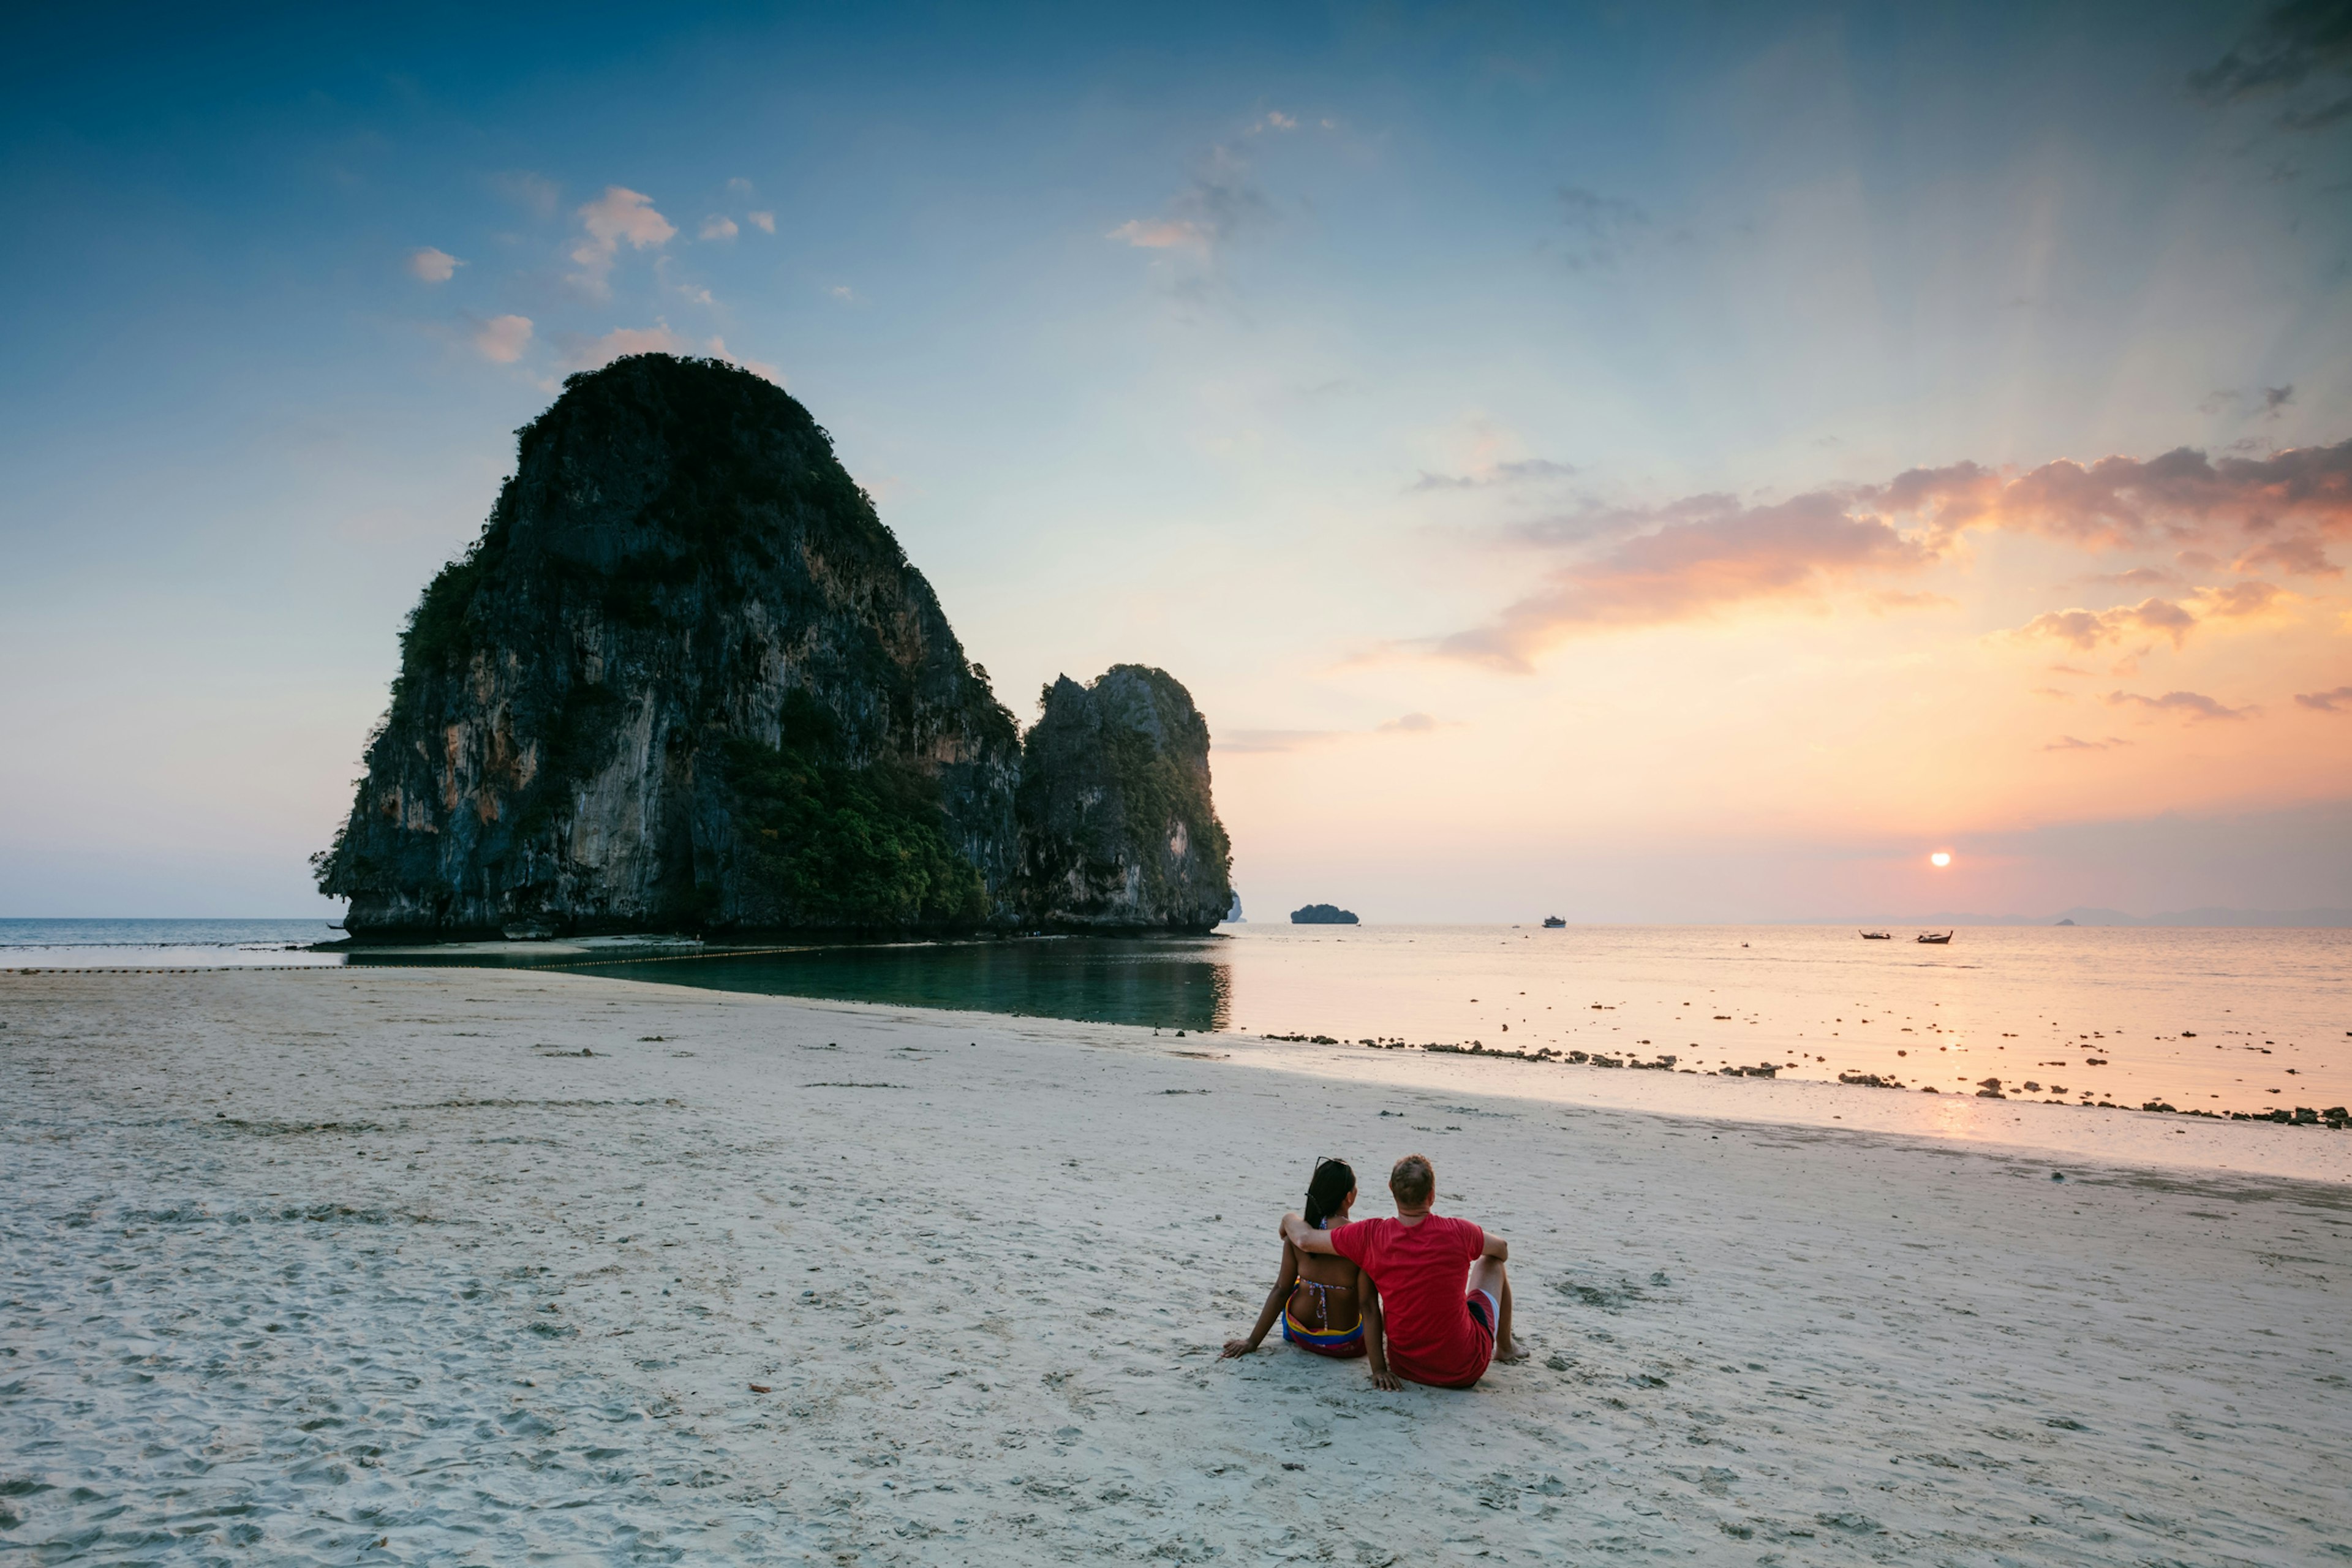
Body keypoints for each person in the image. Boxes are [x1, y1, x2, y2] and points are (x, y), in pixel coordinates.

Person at [1281, 1152, 1519, 1390]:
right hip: (1464, 1369)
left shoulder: (1370, 1235)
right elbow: (1502, 1249)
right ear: (1432, 1194)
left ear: (1391, 1190)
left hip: (1404, 1366)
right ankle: (1506, 1348)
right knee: (1492, 1263)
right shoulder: (1460, 1231)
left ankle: (1503, 1346)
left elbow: (1305, 1239)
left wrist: (1288, 1217)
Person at [1221, 1158, 1392, 1382]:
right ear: (1350, 1197)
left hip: (1299, 1333)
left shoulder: (1298, 1234)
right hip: (1345, 1344)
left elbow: (1280, 1290)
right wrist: (1379, 1370)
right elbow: (1368, 1306)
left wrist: (1252, 1341)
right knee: (1371, 1305)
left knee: (1292, 1286)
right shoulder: (1359, 1240)